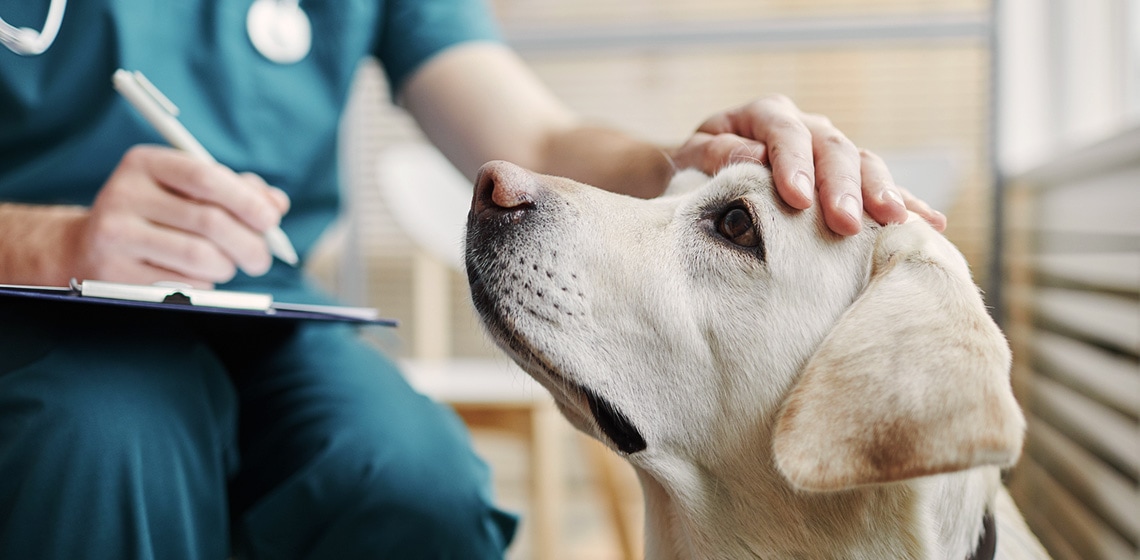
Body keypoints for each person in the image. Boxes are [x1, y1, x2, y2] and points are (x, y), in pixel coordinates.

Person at [0, 0, 944, 558]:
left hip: (266, 303)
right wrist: (49, 241)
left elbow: (531, 139)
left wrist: (685, 159)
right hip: (31, 311)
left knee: (416, 482)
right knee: (103, 441)